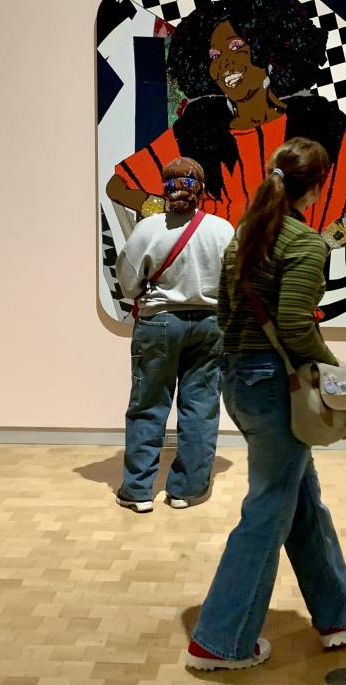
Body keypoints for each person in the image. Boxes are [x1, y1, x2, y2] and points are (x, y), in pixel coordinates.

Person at [186, 138, 346, 671]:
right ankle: (219, 640)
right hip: (276, 386)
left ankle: (339, 615)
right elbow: (297, 322)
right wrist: (335, 369)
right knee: (267, 509)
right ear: (319, 185)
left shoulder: (243, 238)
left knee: (302, 502)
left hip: (242, 379)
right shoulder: (303, 243)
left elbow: (228, 315)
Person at [107, 0, 346, 244]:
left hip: (290, 296)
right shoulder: (199, 133)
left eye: (237, 47)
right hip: (219, 297)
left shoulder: (317, 127)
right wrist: (177, 214)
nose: (224, 63)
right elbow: (119, 187)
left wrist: (345, 228)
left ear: (269, 50)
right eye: (215, 56)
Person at [114, 157, 234, 513]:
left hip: (159, 323)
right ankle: (186, 490)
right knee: (200, 407)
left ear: (165, 187)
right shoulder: (222, 229)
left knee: (148, 406)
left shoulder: (148, 229)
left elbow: (127, 281)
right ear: (202, 188)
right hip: (211, 325)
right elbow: (235, 278)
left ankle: (137, 492)